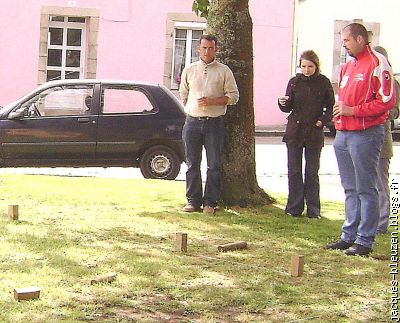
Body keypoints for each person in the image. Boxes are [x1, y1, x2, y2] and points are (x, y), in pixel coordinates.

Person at [325, 23, 396, 256]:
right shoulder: (348, 66)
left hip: (366, 133)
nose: (343, 45)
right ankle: (348, 235)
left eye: (345, 40)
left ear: (358, 39)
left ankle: (365, 239)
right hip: (344, 134)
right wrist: (339, 115)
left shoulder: (377, 63)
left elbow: (386, 101)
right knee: (350, 187)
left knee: (366, 188)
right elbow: (344, 98)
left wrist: (353, 111)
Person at [179, 34, 239, 214]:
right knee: (192, 163)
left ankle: (210, 202)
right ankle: (192, 201)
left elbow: (234, 97)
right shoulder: (189, 69)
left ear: (216, 49)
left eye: (211, 48)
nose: (207, 51)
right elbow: (183, 93)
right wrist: (191, 109)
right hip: (192, 122)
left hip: (214, 123)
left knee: (213, 164)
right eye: (204, 48)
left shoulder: (224, 71)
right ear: (199, 49)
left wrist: (214, 102)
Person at [278, 50, 334, 219]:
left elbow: (330, 106)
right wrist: (282, 103)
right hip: (295, 131)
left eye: (310, 66)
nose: (307, 69)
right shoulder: (294, 82)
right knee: (294, 171)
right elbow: (288, 106)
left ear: (316, 66)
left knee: (311, 172)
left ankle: (313, 210)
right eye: (304, 66)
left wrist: (321, 121)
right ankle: (294, 207)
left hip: (313, 132)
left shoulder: (323, 82)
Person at [373, 46, 400, 234]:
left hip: (381, 141)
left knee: (380, 183)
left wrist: (376, 110)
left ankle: (382, 222)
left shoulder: (391, 82)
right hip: (362, 140)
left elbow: (394, 111)